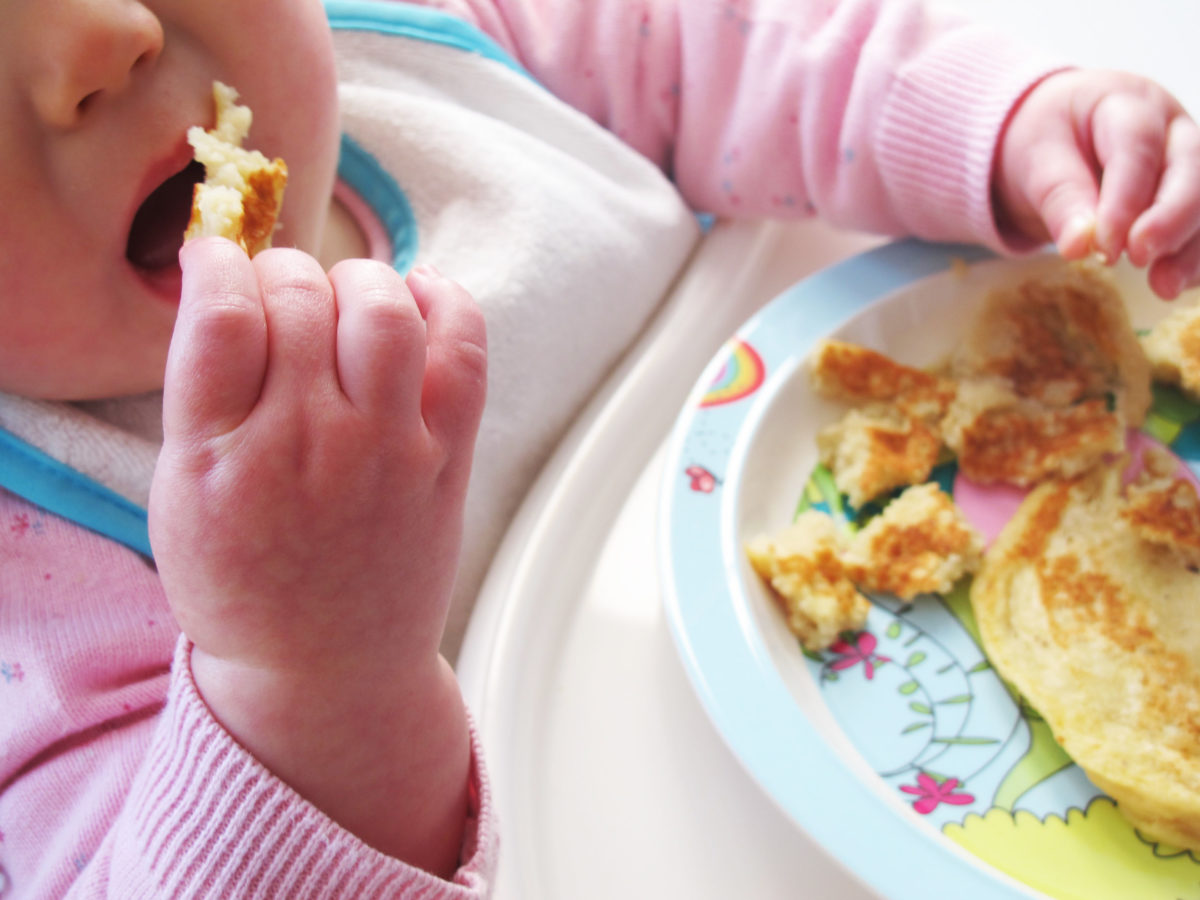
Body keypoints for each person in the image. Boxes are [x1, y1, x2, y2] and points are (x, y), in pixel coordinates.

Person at [2, 0, 1198, 896]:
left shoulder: (444, 39)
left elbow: (719, 47)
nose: (103, 41)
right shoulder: (37, 604)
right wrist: (307, 672)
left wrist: (1001, 121)